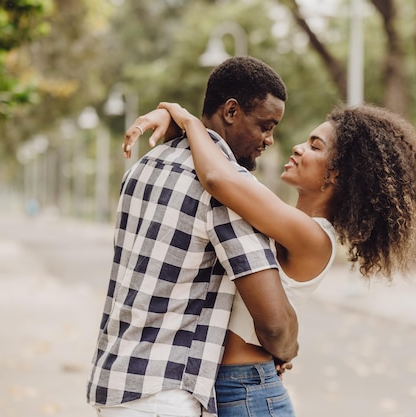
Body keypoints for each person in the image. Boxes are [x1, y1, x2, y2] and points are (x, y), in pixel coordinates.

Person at [125, 100, 416, 416]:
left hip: (245, 391)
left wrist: (189, 121)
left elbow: (219, 179)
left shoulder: (314, 236)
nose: (299, 147)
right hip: (224, 387)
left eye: (315, 147)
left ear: (337, 175)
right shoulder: (282, 222)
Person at [87, 56, 300, 417]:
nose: (269, 139)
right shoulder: (228, 188)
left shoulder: (144, 167)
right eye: (265, 125)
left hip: (114, 385)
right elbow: (274, 323)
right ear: (231, 111)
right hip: (164, 397)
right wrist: (286, 351)